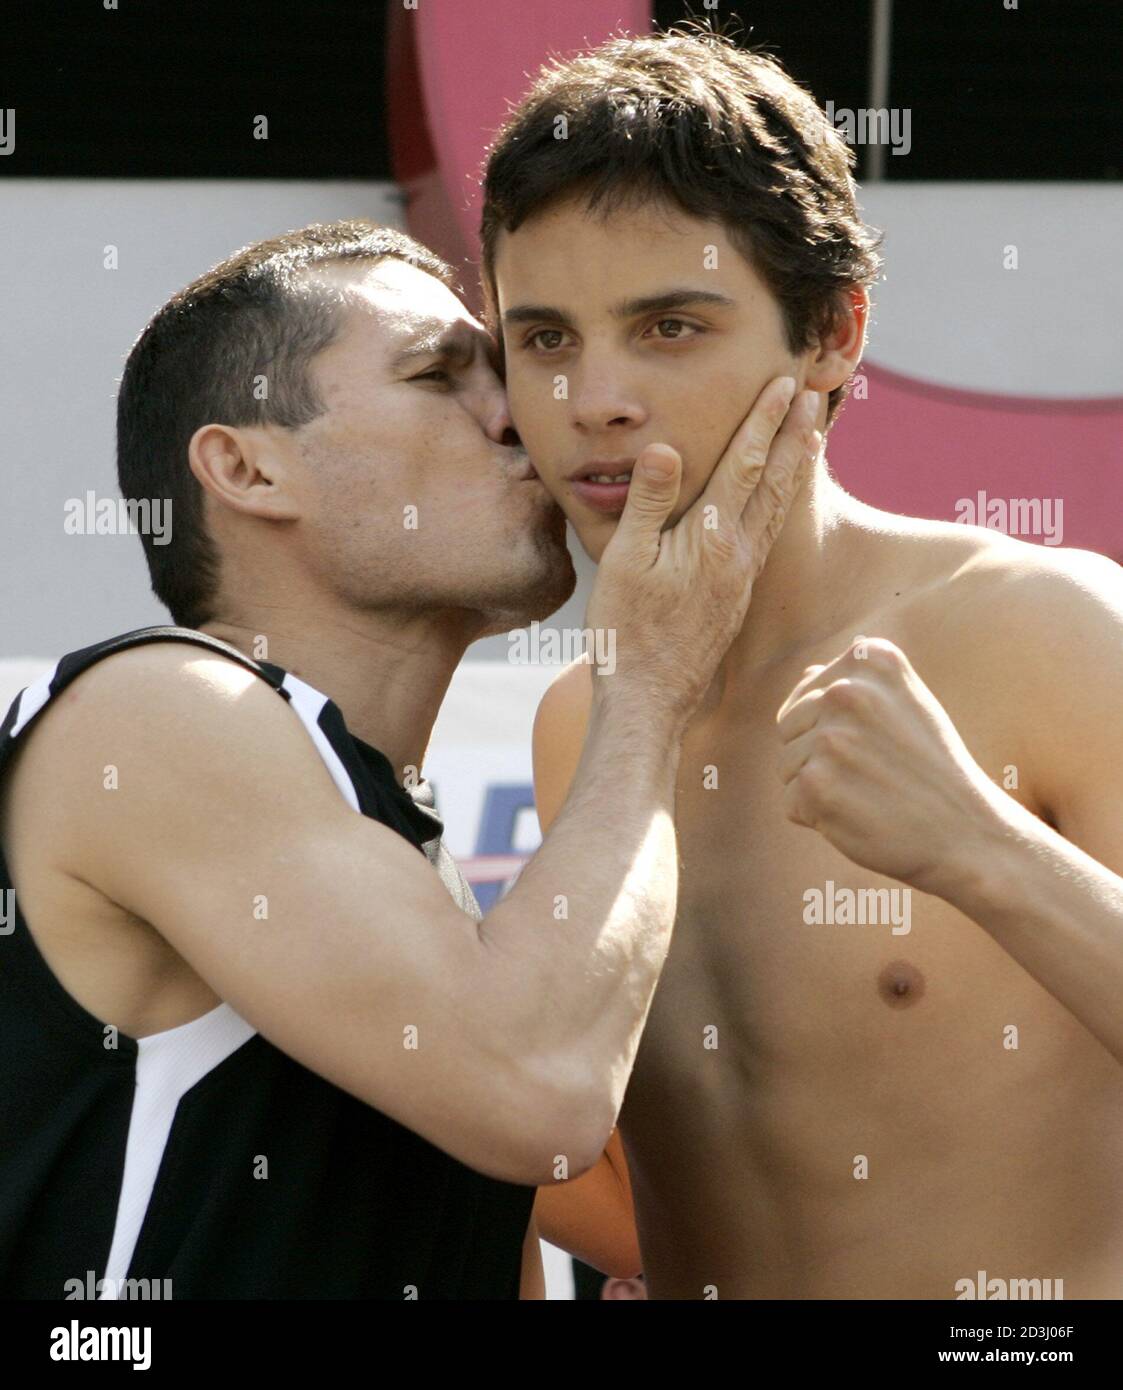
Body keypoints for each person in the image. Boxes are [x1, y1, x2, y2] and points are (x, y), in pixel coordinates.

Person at [0, 219, 816, 1298]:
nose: (522, 414)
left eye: (511, 370)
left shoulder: (395, 855)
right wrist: (651, 683)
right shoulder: (157, 707)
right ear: (246, 467)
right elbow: (546, 1090)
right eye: (441, 373)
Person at [482, 29, 1123, 1299]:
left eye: (668, 326)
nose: (595, 397)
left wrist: (982, 847)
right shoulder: (586, 724)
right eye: (545, 338)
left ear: (833, 333)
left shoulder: (1045, 627)